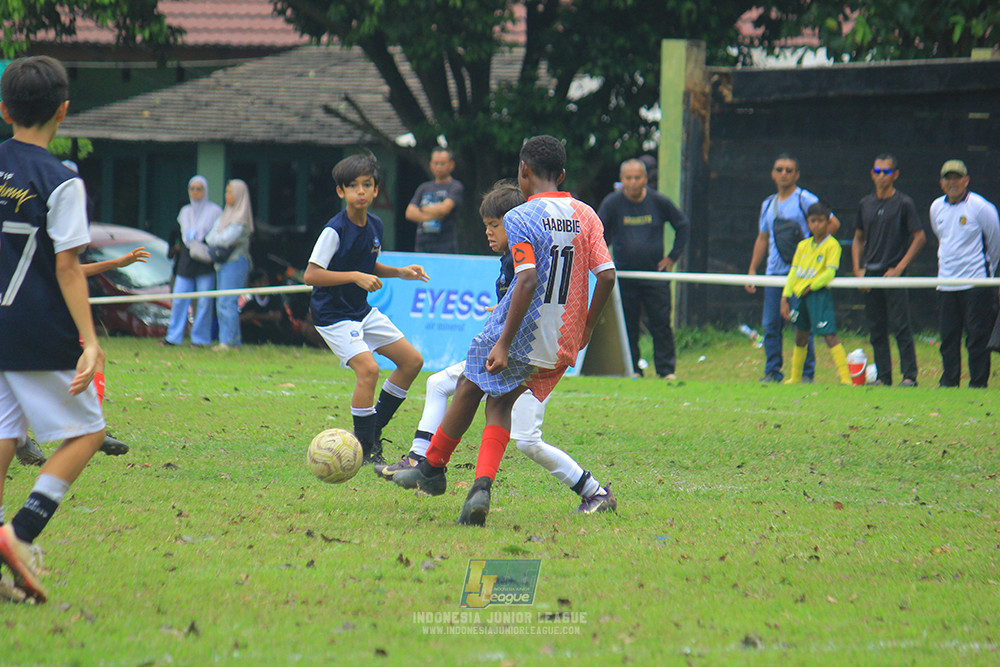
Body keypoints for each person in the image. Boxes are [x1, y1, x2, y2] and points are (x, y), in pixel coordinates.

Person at [391, 135, 617, 527]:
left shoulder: (520, 217)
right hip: (560, 342)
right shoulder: (587, 214)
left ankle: (433, 466)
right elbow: (608, 275)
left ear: (523, 172)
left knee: (466, 384)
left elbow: (526, 280)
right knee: (499, 404)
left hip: (522, 332)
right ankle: (480, 487)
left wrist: (505, 341)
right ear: (561, 174)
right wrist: (587, 328)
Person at [0, 55, 108, 603]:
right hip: (34, 328)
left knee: (4, 432)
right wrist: (89, 339)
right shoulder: (62, 182)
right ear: (64, 111)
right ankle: (19, 534)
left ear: (3, 109)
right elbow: (68, 267)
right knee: (87, 432)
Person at [304, 153, 429, 464]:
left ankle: (372, 434)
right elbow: (312, 274)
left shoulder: (375, 224)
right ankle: (364, 447)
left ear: (376, 190)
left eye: (367, 185)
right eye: (353, 186)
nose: (360, 191)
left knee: (412, 361)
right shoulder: (334, 230)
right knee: (369, 369)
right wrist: (356, 277)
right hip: (332, 314)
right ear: (341, 192)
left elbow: (365, 263)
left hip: (360, 309)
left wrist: (398, 271)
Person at [746, 154, 840, 382]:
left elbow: (833, 223)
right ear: (772, 173)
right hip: (774, 273)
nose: (784, 174)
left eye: (789, 170)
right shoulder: (768, 204)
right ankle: (772, 371)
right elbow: (762, 238)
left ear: (797, 174)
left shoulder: (804, 199)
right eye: (779, 169)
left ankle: (806, 374)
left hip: (801, 275)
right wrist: (752, 270)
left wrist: (814, 254)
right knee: (770, 324)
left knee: (802, 326)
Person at [598, 158, 690, 379]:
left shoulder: (659, 201)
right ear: (621, 180)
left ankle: (666, 371)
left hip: (654, 275)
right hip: (624, 276)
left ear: (646, 179)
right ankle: (634, 370)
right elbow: (597, 233)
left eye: (637, 177)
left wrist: (672, 258)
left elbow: (683, 225)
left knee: (661, 324)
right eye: (628, 178)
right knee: (628, 325)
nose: (633, 182)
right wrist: (604, 260)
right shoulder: (612, 203)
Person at [851, 154, 926, 387]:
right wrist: (858, 270)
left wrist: (900, 267)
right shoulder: (865, 203)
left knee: (901, 326)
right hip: (870, 274)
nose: (881, 175)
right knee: (876, 328)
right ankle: (884, 377)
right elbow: (858, 238)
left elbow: (919, 237)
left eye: (886, 171)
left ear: (895, 175)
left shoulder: (904, 203)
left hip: (893, 275)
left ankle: (909, 376)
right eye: (877, 171)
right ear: (872, 174)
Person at [929, 159, 1000, 388]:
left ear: (966, 180)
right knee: (948, 337)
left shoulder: (980, 207)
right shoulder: (936, 207)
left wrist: (988, 277)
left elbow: (995, 243)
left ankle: (978, 383)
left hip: (975, 283)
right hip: (946, 283)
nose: (953, 182)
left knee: (977, 336)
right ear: (941, 183)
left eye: (957, 178)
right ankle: (949, 381)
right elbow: (942, 237)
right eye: (948, 178)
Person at [780, 202, 851, 385]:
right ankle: (795, 378)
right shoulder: (803, 245)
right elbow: (793, 272)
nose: (816, 225)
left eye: (820, 221)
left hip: (818, 295)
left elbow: (830, 272)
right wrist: (785, 296)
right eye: (813, 221)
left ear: (828, 222)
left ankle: (845, 379)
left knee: (829, 335)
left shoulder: (832, 245)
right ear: (808, 223)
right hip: (801, 296)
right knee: (800, 335)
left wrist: (812, 285)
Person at [163, 176, 222, 347]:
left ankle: (200, 339)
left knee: (204, 302)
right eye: (192, 189)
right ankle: (173, 337)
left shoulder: (214, 211)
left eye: (199, 189)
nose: (195, 192)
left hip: (204, 259)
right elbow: (183, 236)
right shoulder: (185, 212)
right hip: (186, 260)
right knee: (180, 298)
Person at [206, 179, 254, 351]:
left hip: (236, 262)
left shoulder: (241, 218)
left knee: (228, 302)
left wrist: (219, 239)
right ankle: (230, 341)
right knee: (222, 302)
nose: (227, 195)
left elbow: (226, 239)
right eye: (226, 191)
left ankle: (229, 342)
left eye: (231, 192)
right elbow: (209, 237)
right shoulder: (225, 215)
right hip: (222, 264)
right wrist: (220, 239)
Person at [405, 147, 464, 253]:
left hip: (445, 244)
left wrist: (422, 209)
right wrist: (434, 214)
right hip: (422, 243)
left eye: (442, 163)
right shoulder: (423, 187)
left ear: (451, 165)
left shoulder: (455, 186)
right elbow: (409, 213)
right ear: (431, 164)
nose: (439, 167)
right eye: (436, 163)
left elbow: (444, 209)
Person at [239, 268, 293, 345]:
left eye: (265, 281)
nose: (263, 284)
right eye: (260, 282)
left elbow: (277, 316)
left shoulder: (275, 297)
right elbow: (241, 317)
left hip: (275, 332)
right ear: (253, 285)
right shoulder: (249, 300)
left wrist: (255, 316)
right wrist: (246, 317)